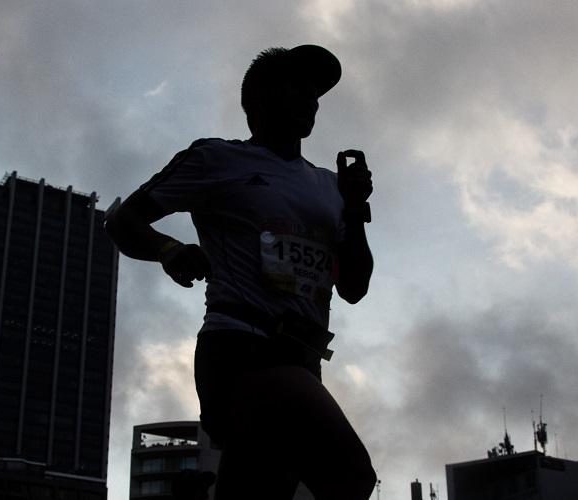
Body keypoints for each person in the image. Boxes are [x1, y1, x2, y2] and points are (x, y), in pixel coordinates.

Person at [106, 44, 376, 499]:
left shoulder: (331, 188)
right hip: (241, 349)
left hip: (304, 361)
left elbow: (354, 287)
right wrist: (169, 249)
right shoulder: (217, 159)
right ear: (260, 100)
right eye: (299, 88)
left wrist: (353, 209)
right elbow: (122, 221)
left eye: (316, 93)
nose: (312, 100)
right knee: (350, 473)